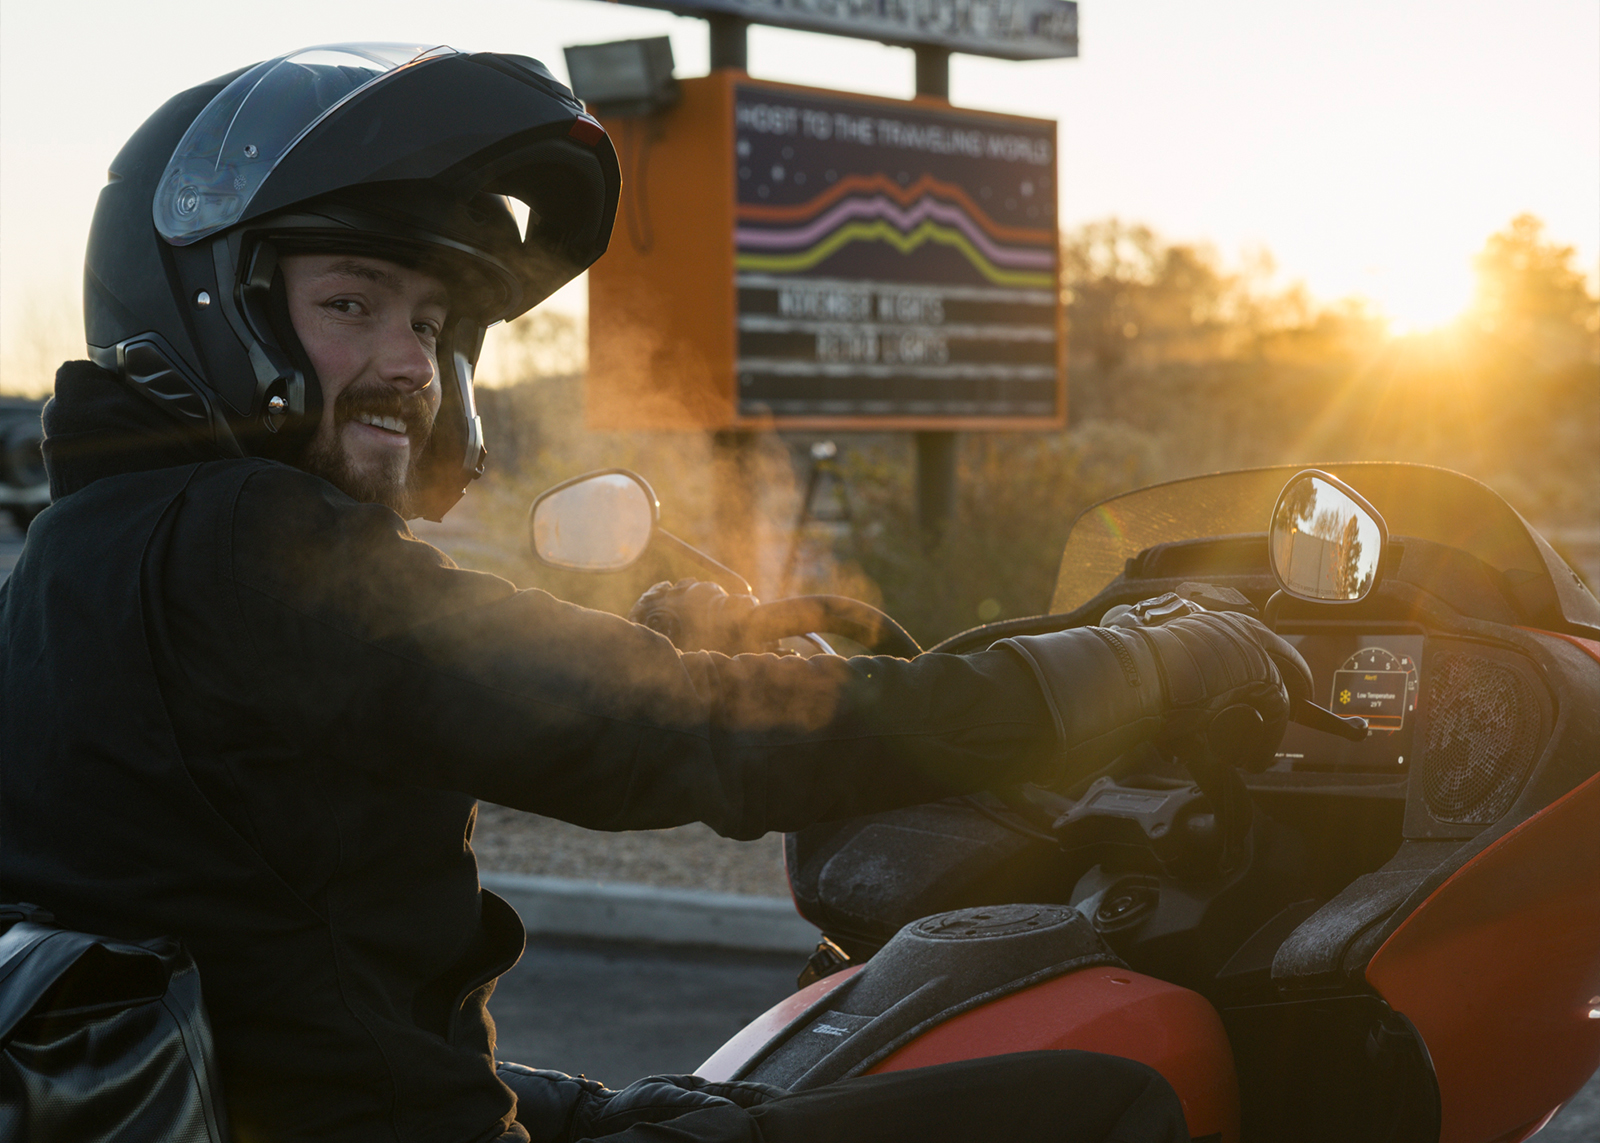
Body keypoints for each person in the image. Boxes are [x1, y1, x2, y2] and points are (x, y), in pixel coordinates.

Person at [0, 43, 1306, 1143]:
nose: (407, 361)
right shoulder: (249, 543)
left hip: (292, 1105)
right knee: (1111, 1096)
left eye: (437, 327)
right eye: (355, 304)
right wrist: (1140, 666)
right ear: (212, 304)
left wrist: (555, 1102)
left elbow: (267, 957)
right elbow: (678, 738)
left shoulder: (83, 557)